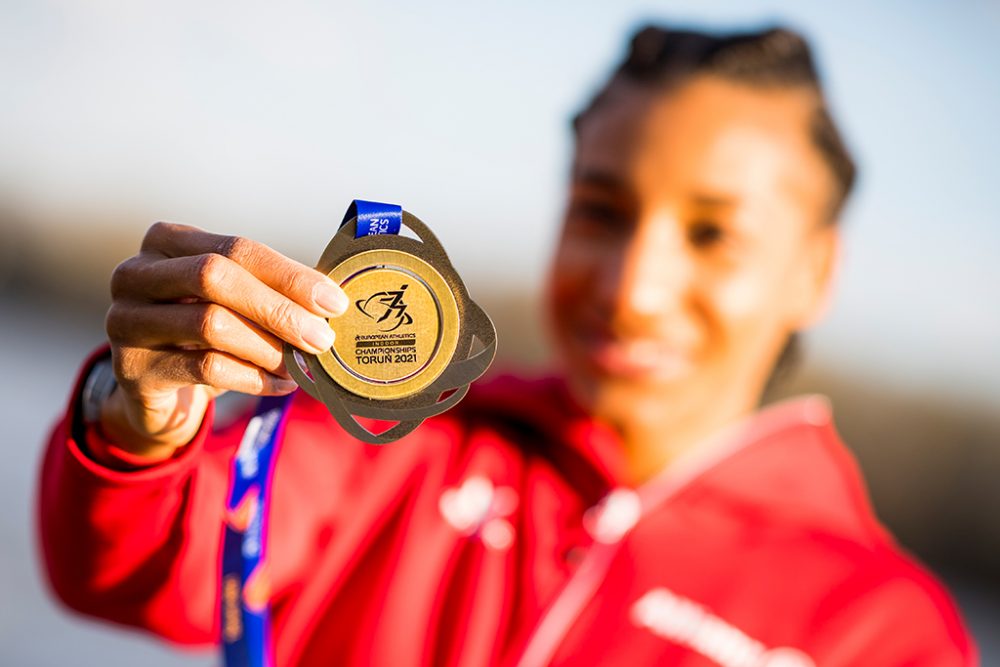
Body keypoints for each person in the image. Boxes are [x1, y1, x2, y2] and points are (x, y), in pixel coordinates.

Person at [38, 25, 977, 666]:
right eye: (600, 211)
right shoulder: (394, 444)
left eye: (712, 234)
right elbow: (133, 571)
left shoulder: (884, 631)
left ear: (815, 271)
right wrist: (137, 428)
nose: (631, 287)